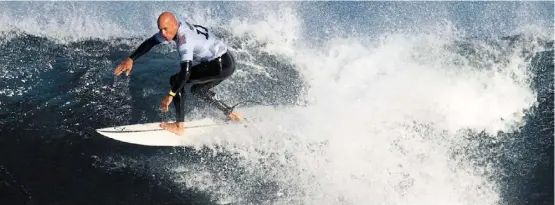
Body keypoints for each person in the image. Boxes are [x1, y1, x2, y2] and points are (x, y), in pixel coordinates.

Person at [113, 11, 242, 135]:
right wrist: (131, 59)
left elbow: (186, 72)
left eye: (165, 29)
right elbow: (151, 42)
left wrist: (170, 94)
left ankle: (179, 126)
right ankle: (230, 113)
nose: (162, 33)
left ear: (174, 25)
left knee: (176, 80)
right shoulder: (177, 27)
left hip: (219, 65)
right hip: (227, 60)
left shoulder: (183, 40)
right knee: (198, 90)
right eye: (160, 29)